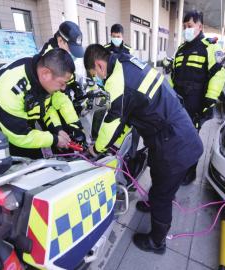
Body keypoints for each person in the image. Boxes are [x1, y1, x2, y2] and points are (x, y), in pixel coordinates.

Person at [83, 44, 203, 254]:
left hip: (175, 143)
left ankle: (157, 242)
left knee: (162, 196)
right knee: (159, 176)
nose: (97, 80)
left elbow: (112, 121)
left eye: (95, 75)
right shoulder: (126, 62)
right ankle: (155, 202)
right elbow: (127, 115)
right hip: (176, 132)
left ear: (99, 65)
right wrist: (115, 142)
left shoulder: (116, 81)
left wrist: (97, 149)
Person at [0, 49, 75, 159]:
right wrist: (55, 140)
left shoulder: (39, 75)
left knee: (36, 158)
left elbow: (45, 108)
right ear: (46, 73)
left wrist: (58, 130)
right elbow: (20, 136)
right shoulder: (9, 90)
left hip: (23, 127)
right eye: (62, 83)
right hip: (0, 133)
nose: (63, 88)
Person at [170, 10, 225, 130]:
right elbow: (173, 75)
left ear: (200, 27)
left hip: (196, 102)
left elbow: (218, 73)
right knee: (174, 131)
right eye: (184, 27)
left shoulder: (210, 47)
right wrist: (168, 93)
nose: (186, 30)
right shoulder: (180, 49)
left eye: (189, 26)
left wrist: (210, 98)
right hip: (177, 101)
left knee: (190, 134)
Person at [39, 21, 85, 133]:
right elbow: (56, 99)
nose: (72, 53)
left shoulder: (60, 52)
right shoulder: (49, 59)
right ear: (60, 41)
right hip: (50, 104)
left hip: (61, 98)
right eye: (70, 49)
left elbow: (66, 73)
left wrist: (73, 84)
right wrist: (72, 124)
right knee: (62, 137)